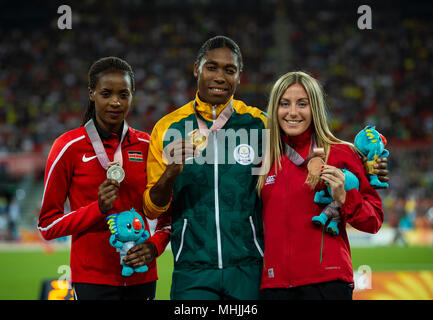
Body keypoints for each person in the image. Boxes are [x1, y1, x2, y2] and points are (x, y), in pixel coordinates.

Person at [140, 36, 389, 300]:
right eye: (211, 67)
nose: (220, 77)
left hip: (250, 269)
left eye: (230, 70)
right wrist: (170, 174)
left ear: (239, 75)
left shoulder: (260, 125)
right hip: (192, 269)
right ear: (196, 68)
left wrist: (365, 162)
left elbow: (308, 139)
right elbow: (151, 209)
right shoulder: (167, 129)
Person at [37, 57, 170, 300]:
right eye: (106, 93)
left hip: (142, 277)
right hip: (92, 280)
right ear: (92, 93)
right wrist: (97, 209)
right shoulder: (68, 147)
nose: (116, 102)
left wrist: (154, 247)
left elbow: (168, 219)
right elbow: (47, 225)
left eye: (124, 94)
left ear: (132, 96)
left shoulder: (148, 146)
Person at [256, 71, 385, 300]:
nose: (293, 112)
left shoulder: (342, 153)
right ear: (274, 109)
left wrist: (346, 198)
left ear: (314, 107)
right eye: (284, 104)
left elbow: (373, 220)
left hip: (328, 284)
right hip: (273, 286)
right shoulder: (264, 159)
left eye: (302, 104)